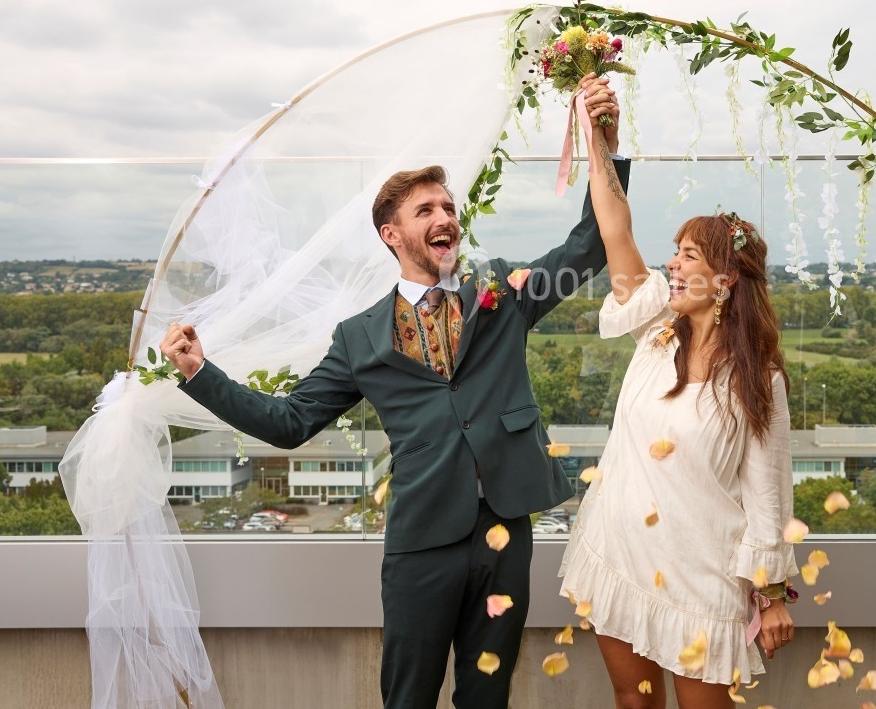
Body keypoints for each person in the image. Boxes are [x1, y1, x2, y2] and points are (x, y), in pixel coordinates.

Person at [160, 137, 631, 709]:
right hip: (422, 543)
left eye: (449, 209)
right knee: (408, 698)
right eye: (426, 211)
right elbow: (289, 421)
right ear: (392, 235)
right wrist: (200, 373)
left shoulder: (500, 290)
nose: (445, 219)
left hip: (506, 534)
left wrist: (605, 147)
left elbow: (587, 248)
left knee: (488, 698)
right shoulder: (359, 337)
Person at [560, 75, 798, 707]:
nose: (672, 263)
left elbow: (768, 492)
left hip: (702, 574)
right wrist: (598, 141)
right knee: (634, 704)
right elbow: (614, 225)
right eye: (676, 252)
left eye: (687, 255)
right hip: (624, 550)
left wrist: (770, 594)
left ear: (724, 279)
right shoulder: (655, 328)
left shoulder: (759, 380)